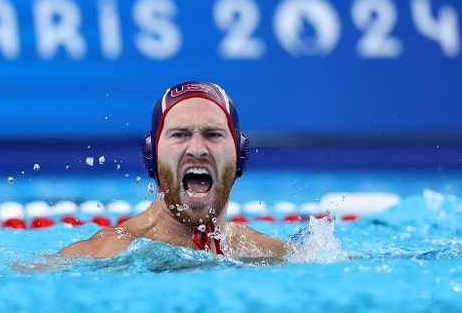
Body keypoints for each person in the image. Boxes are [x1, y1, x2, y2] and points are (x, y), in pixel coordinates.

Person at [58, 81, 297, 258]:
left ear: (239, 154)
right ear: (152, 155)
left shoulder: (272, 253)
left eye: (213, 134)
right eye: (179, 134)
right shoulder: (107, 254)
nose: (196, 149)